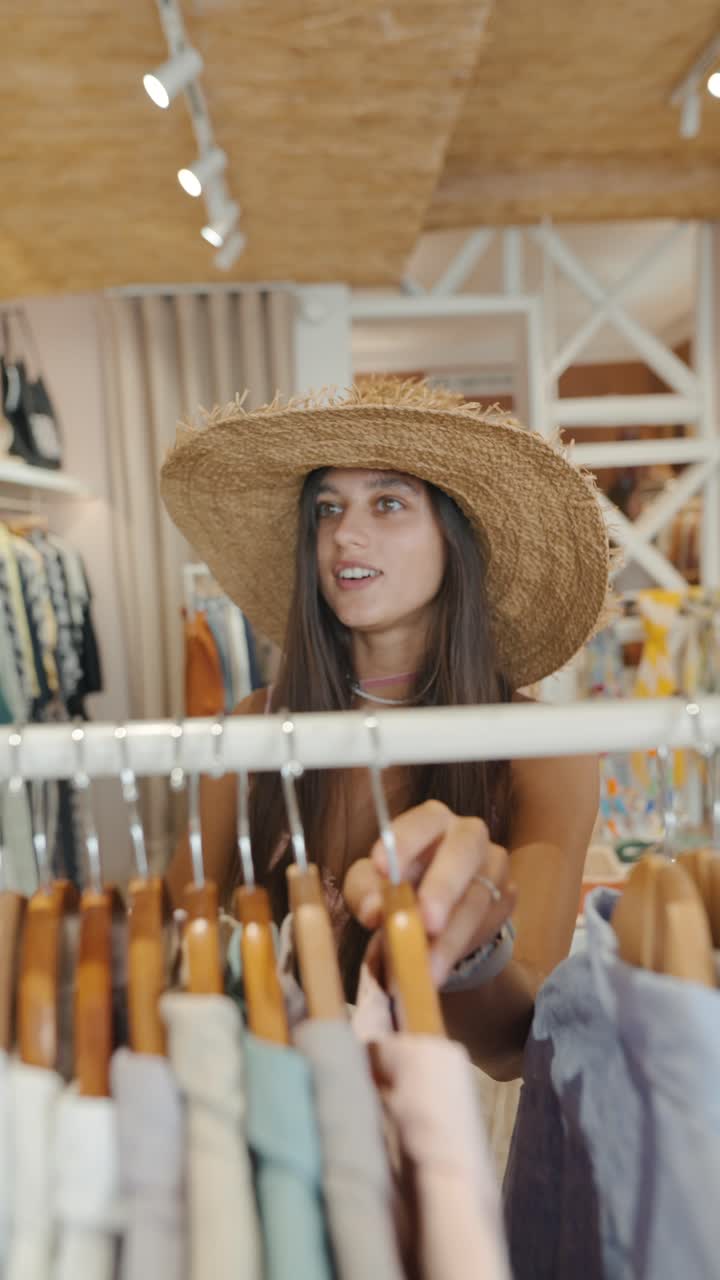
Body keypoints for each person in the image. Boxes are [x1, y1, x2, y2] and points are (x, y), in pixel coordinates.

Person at [161, 379, 609, 1079]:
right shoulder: (255, 730)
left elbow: (514, 1044)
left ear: (455, 536)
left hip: (451, 1123)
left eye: (389, 502)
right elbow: (168, 945)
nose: (345, 534)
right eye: (328, 508)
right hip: (277, 1116)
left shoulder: (539, 751)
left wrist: (464, 944)